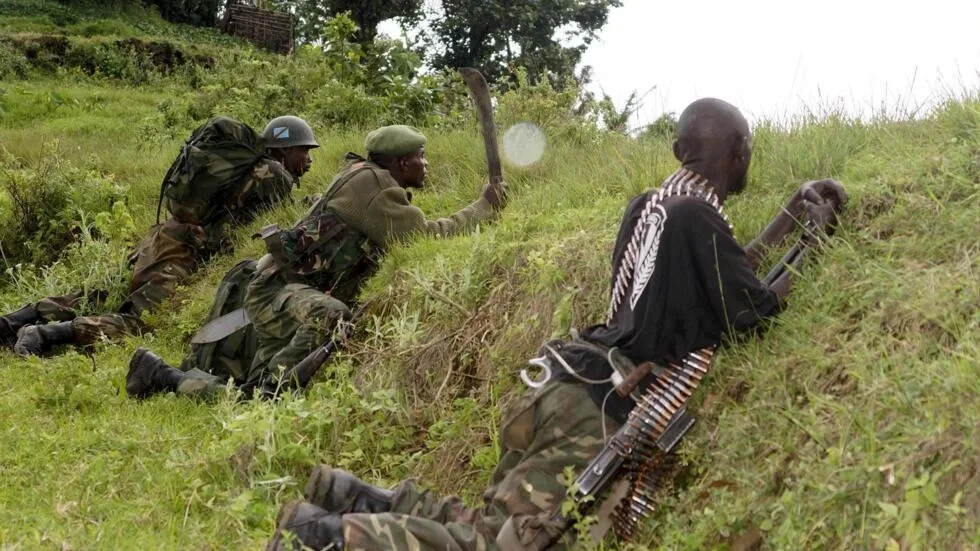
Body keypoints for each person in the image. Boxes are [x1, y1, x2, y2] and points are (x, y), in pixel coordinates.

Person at [264, 98, 848, 550]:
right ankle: (328, 537)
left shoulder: (652, 207)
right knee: (510, 544)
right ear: (741, 152)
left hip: (562, 383)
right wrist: (816, 238)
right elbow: (753, 312)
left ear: (677, 150)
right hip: (599, 410)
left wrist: (789, 213)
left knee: (494, 523)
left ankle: (354, 498)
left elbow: (719, 269)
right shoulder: (698, 217)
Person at [125, 124, 507, 400]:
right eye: (421, 157)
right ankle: (264, 393)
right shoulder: (375, 188)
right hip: (277, 291)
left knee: (326, 317)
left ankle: (242, 384)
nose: (427, 164)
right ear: (402, 163)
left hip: (285, 287)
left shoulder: (364, 175)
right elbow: (424, 237)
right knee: (330, 316)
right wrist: (483, 207)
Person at [2, 115, 318, 356]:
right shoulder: (276, 175)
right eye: (304, 150)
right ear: (285, 149)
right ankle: (44, 336)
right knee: (143, 322)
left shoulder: (249, 168)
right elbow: (266, 225)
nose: (309, 159)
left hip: (161, 236)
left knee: (98, 295)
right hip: (181, 250)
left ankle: (13, 322)